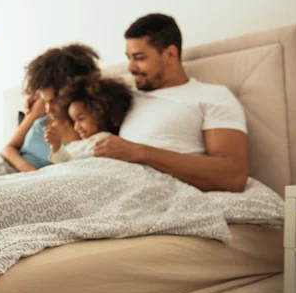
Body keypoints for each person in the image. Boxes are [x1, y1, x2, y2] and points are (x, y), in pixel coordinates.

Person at [93, 13, 249, 192]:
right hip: (108, 179)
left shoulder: (212, 96)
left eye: (139, 58)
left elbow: (233, 176)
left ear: (170, 55)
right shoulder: (126, 97)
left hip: (155, 190)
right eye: (129, 57)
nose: (130, 67)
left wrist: (139, 152)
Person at [1, 43, 100, 172]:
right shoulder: (41, 105)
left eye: (55, 101)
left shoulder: (87, 125)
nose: (48, 109)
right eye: (46, 100)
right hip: (9, 169)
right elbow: (8, 148)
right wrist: (28, 171)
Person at [44, 72, 132, 163]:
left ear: (101, 113)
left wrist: (58, 147)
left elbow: (76, 164)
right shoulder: (77, 143)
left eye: (81, 119)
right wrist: (56, 147)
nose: (76, 127)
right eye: (74, 121)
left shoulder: (104, 141)